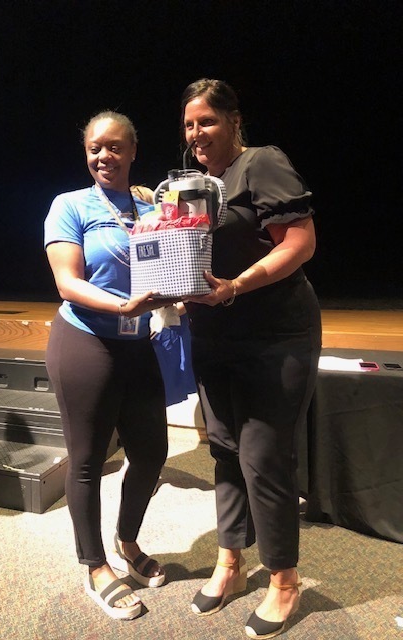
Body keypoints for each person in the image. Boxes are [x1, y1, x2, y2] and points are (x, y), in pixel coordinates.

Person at [180, 79, 322, 638]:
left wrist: (236, 285)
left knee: (264, 457)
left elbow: (300, 242)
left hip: (274, 334)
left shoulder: (260, 163)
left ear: (234, 121)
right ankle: (231, 562)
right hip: (215, 333)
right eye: (189, 124)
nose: (196, 133)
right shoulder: (193, 186)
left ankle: (284, 581)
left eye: (206, 121)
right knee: (223, 450)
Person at [44, 110, 168, 621]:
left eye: (115, 146)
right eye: (95, 147)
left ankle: (126, 541)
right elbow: (67, 282)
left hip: (138, 343)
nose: (104, 156)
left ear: (133, 151)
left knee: (152, 453)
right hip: (84, 340)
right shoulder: (69, 205)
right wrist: (122, 306)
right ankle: (95, 567)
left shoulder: (151, 206)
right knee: (88, 460)